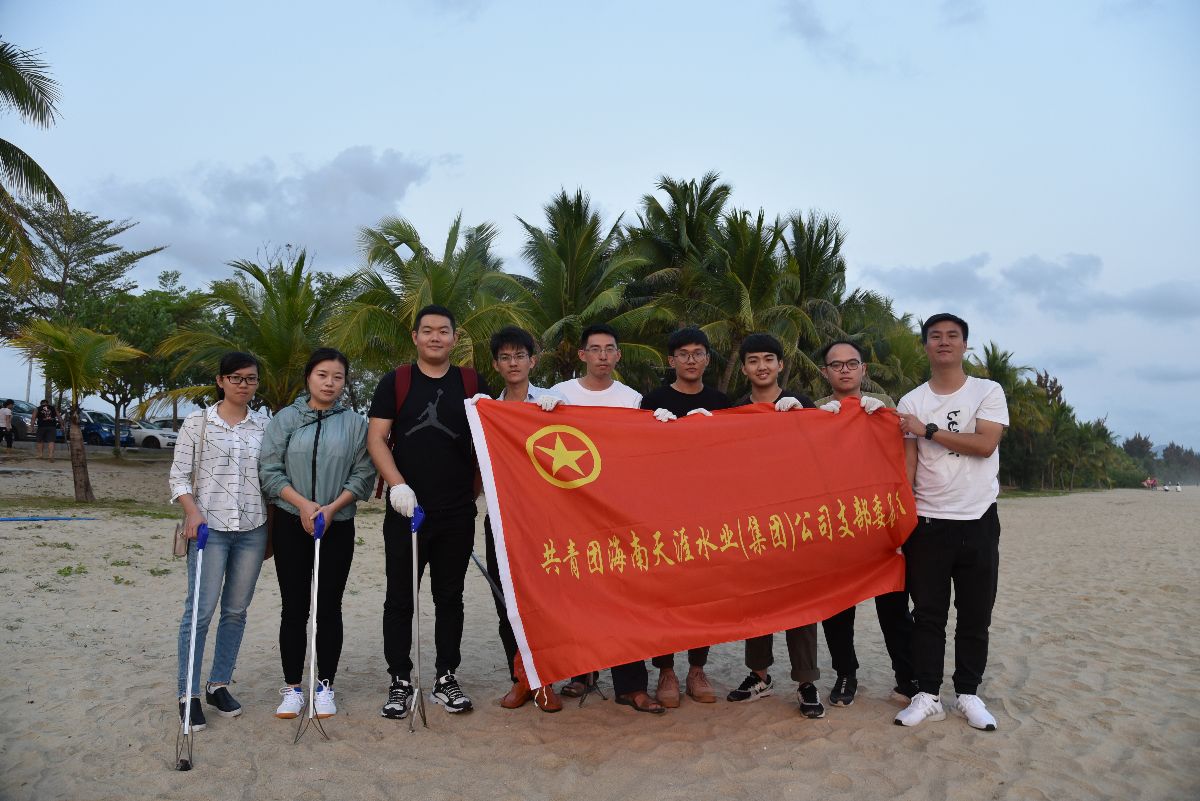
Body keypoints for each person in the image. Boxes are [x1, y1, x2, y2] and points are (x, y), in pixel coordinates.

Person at [369, 305, 492, 719]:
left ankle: (445, 676)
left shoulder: (471, 382)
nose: (435, 337)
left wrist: (473, 492)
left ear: (454, 338)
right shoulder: (396, 381)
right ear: (415, 337)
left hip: (456, 513)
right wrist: (398, 485)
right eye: (427, 331)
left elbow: (490, 439)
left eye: (443, 331)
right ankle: (400, 679)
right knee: (400, 598)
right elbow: (376, 439)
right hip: (406, 511)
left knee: (450, 597)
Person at [895, 313, 1008, 731]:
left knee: (975, 613)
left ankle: (968, 694)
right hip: (928, 521)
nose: (944, 341)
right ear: (925, 345)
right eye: (935, 336)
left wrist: (928, 430)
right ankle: (927, 695)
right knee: (928, 614)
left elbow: (985, 444)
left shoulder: (987, 390)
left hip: (978, 518)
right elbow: (908, 466)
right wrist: (902, 519)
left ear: (964, 344)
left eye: (952, 336)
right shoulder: (911, 401)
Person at [548, 323, 662, 714]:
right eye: (594, 349)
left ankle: (631, 685)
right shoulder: (558, 394)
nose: (602, 355)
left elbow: (641, 452)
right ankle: (582, 671)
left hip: (617, 510)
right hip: (570, 509)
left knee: (624, 595)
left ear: (618, 355)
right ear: (582, 355)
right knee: (578, 592)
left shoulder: (632, 399)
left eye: (609, 349)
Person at [259, 348, 376, 720]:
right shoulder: (286, 419)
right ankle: (293, 687)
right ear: (309, 377)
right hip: (292, 522)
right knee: (294, 608)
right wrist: (304, 505)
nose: (330, 383)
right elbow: (270, 470)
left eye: (338, 377)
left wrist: (331, 507)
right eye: (322, 375)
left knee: (329, 607)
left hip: (336, 524)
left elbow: (363, 473)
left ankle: (325, 686)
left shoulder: (355, 424)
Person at [724, 333, 826, 719]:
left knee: (800, 601)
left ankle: (806, 681)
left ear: (781, 364)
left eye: (769, 359)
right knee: (757, 600)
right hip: (751, 521)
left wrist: (803, 417)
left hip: (795, 520)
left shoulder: (800, 403)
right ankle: (759, 676)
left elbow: (823, 450)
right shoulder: (735, 411)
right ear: (744, 368)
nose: (761, 366)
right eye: (753, 360)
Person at [810, 340, 916, 707]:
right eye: (836, 365)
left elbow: (903, 457)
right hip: (835, 523)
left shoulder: (884, 407)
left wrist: (886, 418)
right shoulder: (815, 411)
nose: (844, 370)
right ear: (825, 371)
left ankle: (907, 676)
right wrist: (804, 418)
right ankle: (846, 673)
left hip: (879, 519)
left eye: (851, 363)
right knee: (838, 607)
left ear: (863, 369)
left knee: (893, 603)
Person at [169, 352, 270, 730]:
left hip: (252, 530)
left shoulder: (264, 425)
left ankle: (218, 684)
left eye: (251, 378)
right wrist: (192, 513)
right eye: (236, 378)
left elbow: (271, 476)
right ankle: (188, 693)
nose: (244, 385)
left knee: (235, 611)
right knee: (200, 612)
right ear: (221, 380)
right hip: (208, 531)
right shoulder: (197, 423)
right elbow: (179, 476)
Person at [471, 326, 566, 713]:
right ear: (496, 365)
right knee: (505, 601)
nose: (513, 363)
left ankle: (546, 680)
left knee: (546, 601)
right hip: (500, 520)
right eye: (505, 358)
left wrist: (559, 414)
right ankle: (521, 680)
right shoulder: (484, 410)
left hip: (544, 521)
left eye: (520, 356)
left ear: (533, 361)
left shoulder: (553, 402)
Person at [638, 327, 730, 707]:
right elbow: (636, 456)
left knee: (701, 594)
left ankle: (696, 669)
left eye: (698, 353)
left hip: (707, 512)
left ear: (707, 358)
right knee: (664, 593)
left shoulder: (721, 402)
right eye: (683, 354)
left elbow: (735, 455)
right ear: (671, 360)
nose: (691, 360)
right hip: (661, 512)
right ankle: (665, 671)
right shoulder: (653, 401)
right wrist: (650, 426)